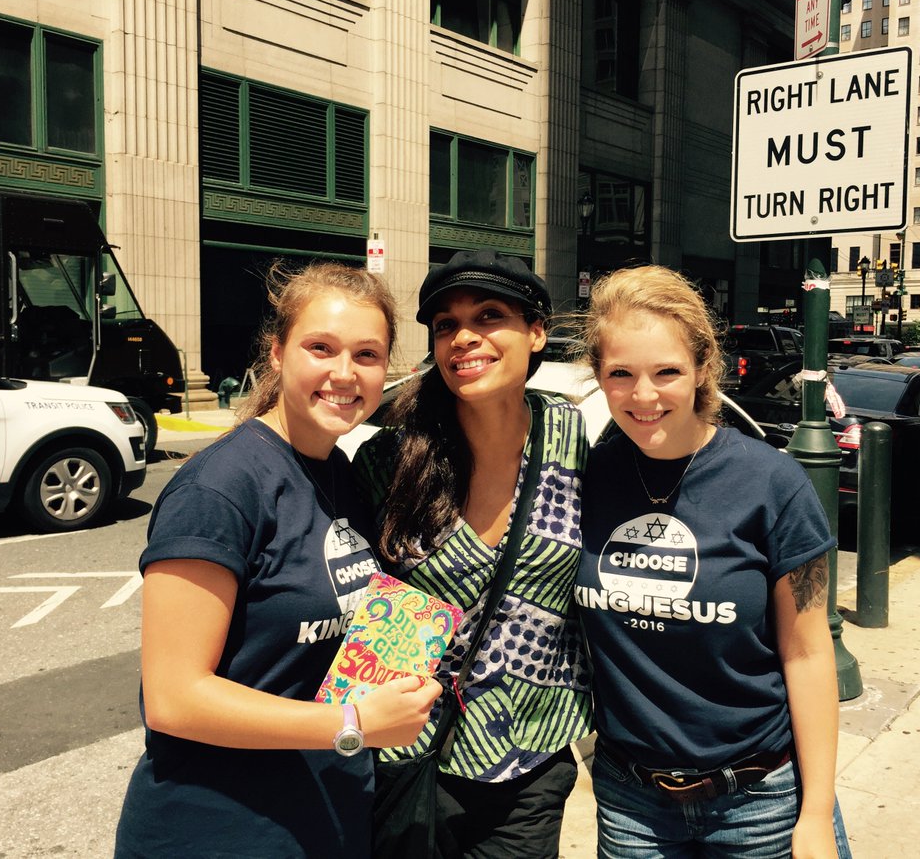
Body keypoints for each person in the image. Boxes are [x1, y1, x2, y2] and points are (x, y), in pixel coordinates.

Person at [114, 263, 442, 858]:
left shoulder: (341, 474)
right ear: (277, 353)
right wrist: (354, 725)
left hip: (324, 821)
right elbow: (174, 698)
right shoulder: (220, 489)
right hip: (219, 831)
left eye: (367, 355)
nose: (344, 373)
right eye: (322, 347)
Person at [575, 265, 851, 859]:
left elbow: (807, 654)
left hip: (759, 802)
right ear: (598, 376)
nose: (644, 395)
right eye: (620, 374)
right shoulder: (587, 479)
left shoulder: (772, 483)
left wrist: (816, 813)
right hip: (632, 806)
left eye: (666, 372)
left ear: (702, 370)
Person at [352, 249, 592, 858]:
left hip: (531, 756)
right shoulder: (391, 460)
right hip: (408, 754)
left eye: (489, 316)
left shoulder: (574, 437)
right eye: (445, 325)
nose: (464, 338)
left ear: (536, 332)